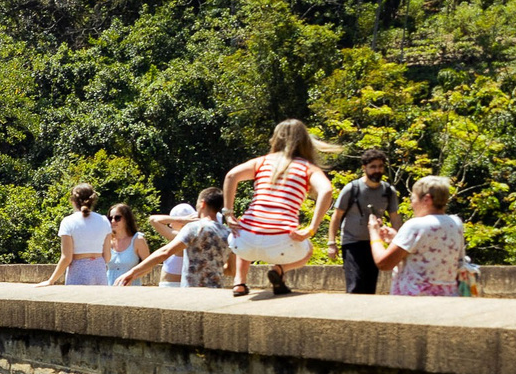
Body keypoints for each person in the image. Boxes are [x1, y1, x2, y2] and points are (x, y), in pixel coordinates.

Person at [224, 120, 337, 296]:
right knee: (308, 252)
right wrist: (311, 228)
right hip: (282, 242)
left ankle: (239, 283)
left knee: (244, 226)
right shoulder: (308, 168)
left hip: (244, 242)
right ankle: (279, 270)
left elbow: (231, 175)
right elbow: (327, 190)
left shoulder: (261, 162)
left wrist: (228, 214)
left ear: (276, 138)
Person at [370, 175, 466, 296]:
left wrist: (374, 233)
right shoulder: (455, 223)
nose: (411, 204)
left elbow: (383, 263)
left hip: (415, 300)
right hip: (448, 298)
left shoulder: (415, 226)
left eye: (413, 199)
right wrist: (397, 239)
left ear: (427, 199)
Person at [115, 192, 232, 289]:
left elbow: (164, 253)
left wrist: (132, 272)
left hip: (191, 292)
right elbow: (232, 270)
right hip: (216, 291)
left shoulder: (194, 228)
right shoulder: (228, 233)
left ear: (202, 204)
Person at [331, 150, 402, 295]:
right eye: (373, 167)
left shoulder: (388, 191)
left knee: (370, 287)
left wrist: (397, 244)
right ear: (364, 168)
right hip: (352, 243)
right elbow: (336, 216)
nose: (377, 170)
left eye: (380, 166)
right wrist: (331, 243)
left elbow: (395, 217)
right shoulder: (352, 189)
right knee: (355, 285)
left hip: (374, 243)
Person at [44, 185, 111, 286]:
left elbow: (66, 258)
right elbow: (107, 256)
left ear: (72, 200)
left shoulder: (68, 221)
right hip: (100, 271)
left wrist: (51, 280)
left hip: (78, 271)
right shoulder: (104, 220)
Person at [147, 197, 204, 287]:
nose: (170, 224)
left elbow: (153, 220)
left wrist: (181, 219)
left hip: (172, 286)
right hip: (172, 285)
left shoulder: (181, 237)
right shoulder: (190, 237)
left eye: (172, 220)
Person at [102, 205, 148, 286]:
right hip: (109, 288)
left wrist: (131, 277)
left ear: (127, 219)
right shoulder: (107, 240)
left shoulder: (138, 240)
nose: (113, 221)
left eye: (117, 218)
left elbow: (148, 267)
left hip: (131, 289)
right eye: (110, 218)